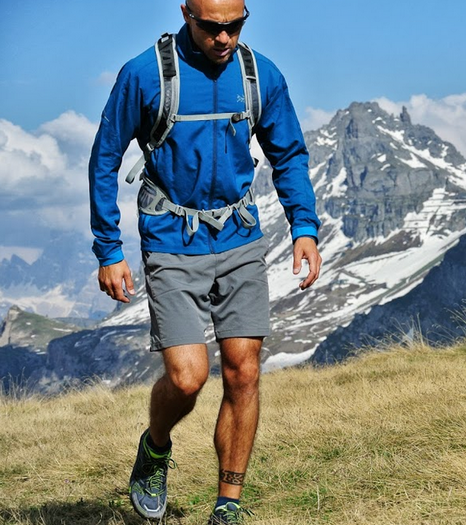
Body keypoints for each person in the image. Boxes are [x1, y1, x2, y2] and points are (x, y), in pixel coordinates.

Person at [88, 0, 322, 522]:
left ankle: (228, 505)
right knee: (189, 377)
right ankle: (155, 446)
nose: (224, 38)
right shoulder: (145, 74)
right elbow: (105, 159)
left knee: (243, 373)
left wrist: (304, 227)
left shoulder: (260, 75)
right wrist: (109, 249)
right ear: (186, 14)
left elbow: (288, 154)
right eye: (212, 27)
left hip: (239, 239)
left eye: (235, 26)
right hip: (171, 240)